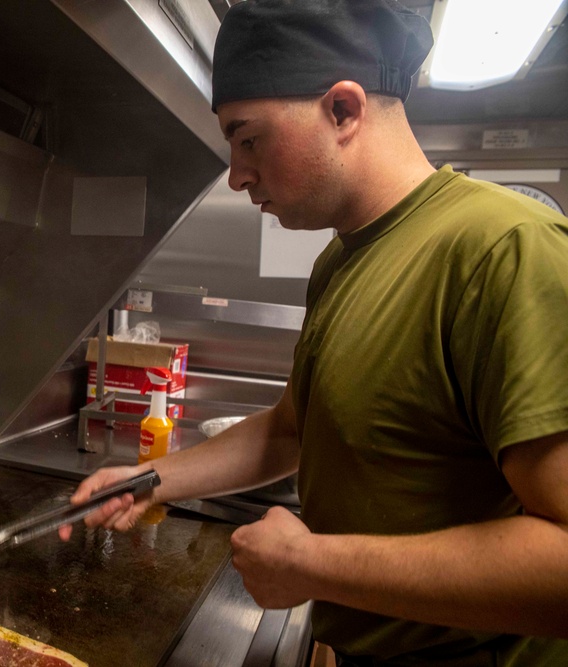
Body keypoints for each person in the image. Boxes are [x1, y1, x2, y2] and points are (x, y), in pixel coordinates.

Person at [59, 0, 568, 664]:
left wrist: (315, 564)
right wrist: (146, 477)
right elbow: (292, 429)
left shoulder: (504, 249)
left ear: (344, 110)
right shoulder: (341, 260)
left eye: (249, 138)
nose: (238, 174)